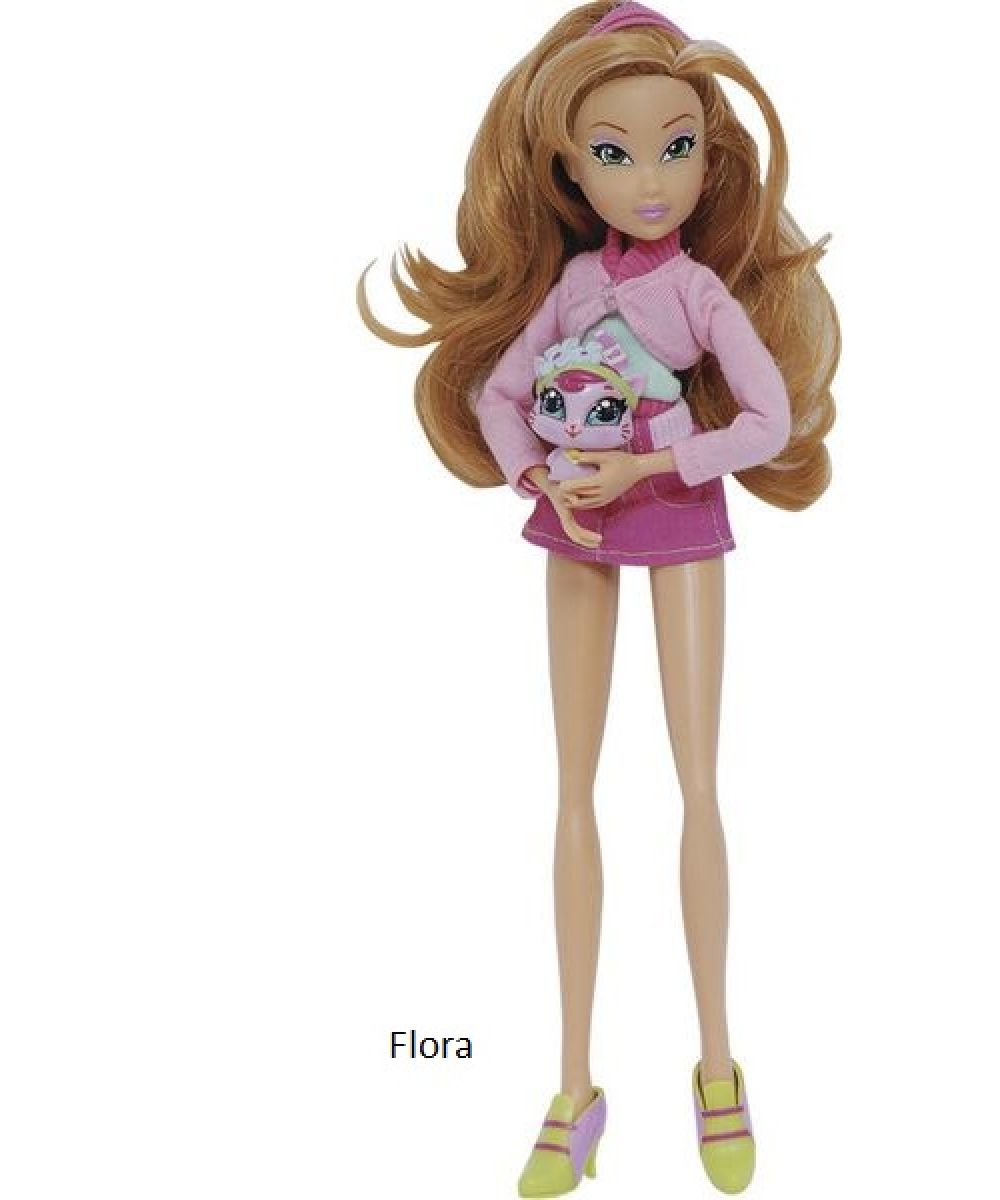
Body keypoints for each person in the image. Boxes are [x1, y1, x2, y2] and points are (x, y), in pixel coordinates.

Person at [358, 3, 839, 1192]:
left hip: (675, 516)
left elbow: (768, 420)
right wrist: (539, 475)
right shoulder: (572, 286)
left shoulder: (700, 295)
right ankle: (573, 1087)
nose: (651, 180)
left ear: (712, 155)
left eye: (677, 147)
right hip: (577, 519)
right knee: (572, 790)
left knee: (696, 787)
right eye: (615, 154)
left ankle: (717, 1064)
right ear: (568, 168)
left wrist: (652, 463)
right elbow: (498, 398)